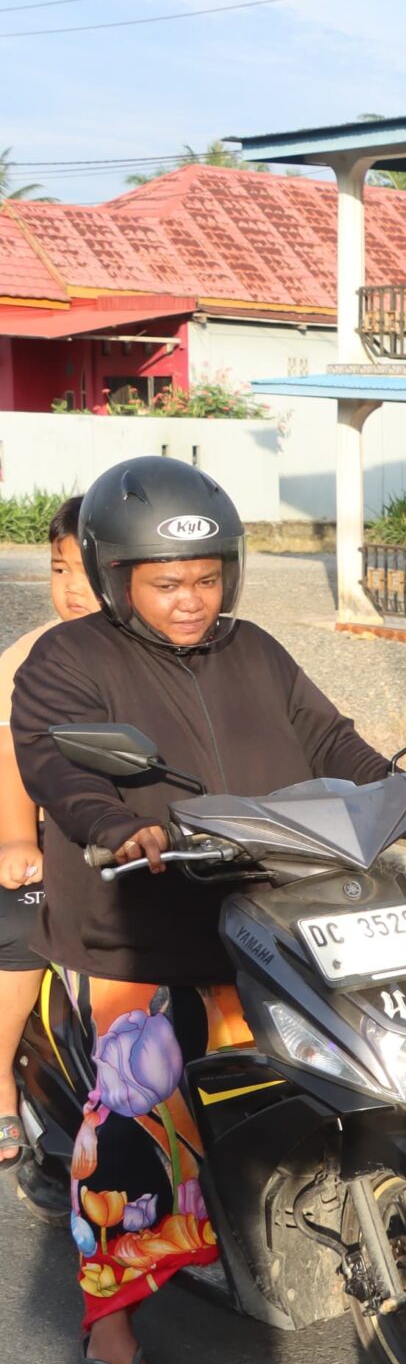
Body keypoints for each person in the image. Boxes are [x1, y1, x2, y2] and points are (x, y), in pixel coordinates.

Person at [11, 456, 406, 1364]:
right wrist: (112, 824)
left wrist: (401, 786)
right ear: (114, 578)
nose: (192, 599)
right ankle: (113, 1316)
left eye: (208, 578)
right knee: (140, 1099)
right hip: (142, 925)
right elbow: (59, 765)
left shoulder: (253, 649)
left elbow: (328, 737)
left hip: (276, 902)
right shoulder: (67, 662)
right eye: (168, 582)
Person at [0, 497, 97, 1180]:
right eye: (59, 570)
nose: (70, 589)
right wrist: (16, 839)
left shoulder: (154, 650)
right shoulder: (34, 655)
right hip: (35, 829)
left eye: (86, 573)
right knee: (23, 920)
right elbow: (10, 754)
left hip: (122, 835)